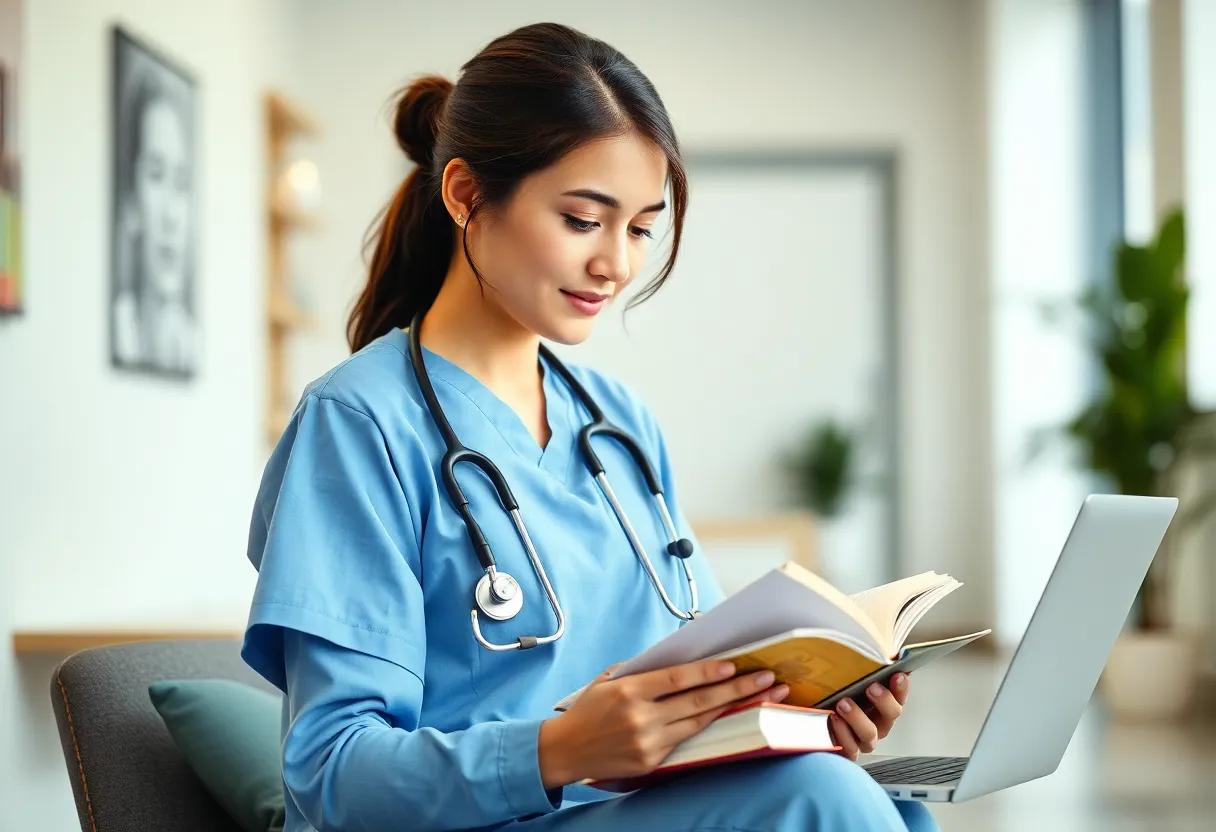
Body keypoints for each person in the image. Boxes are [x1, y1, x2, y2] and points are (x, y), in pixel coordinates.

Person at [242, 21, 938, 832]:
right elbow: (329, 776)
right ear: (466, 194)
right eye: (583, 220)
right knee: (824, 807)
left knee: (847, 793)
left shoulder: (617, 424)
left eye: (641, 227)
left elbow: (706, 686)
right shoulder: (361, 425)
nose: (617, 263)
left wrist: (805, 714)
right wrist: (557, 750)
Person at [111, 63, 195, 375]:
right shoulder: (120, 326)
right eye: (156, 175)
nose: (173, 214)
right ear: (131, 199)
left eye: (182, 182)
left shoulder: (191, 342)